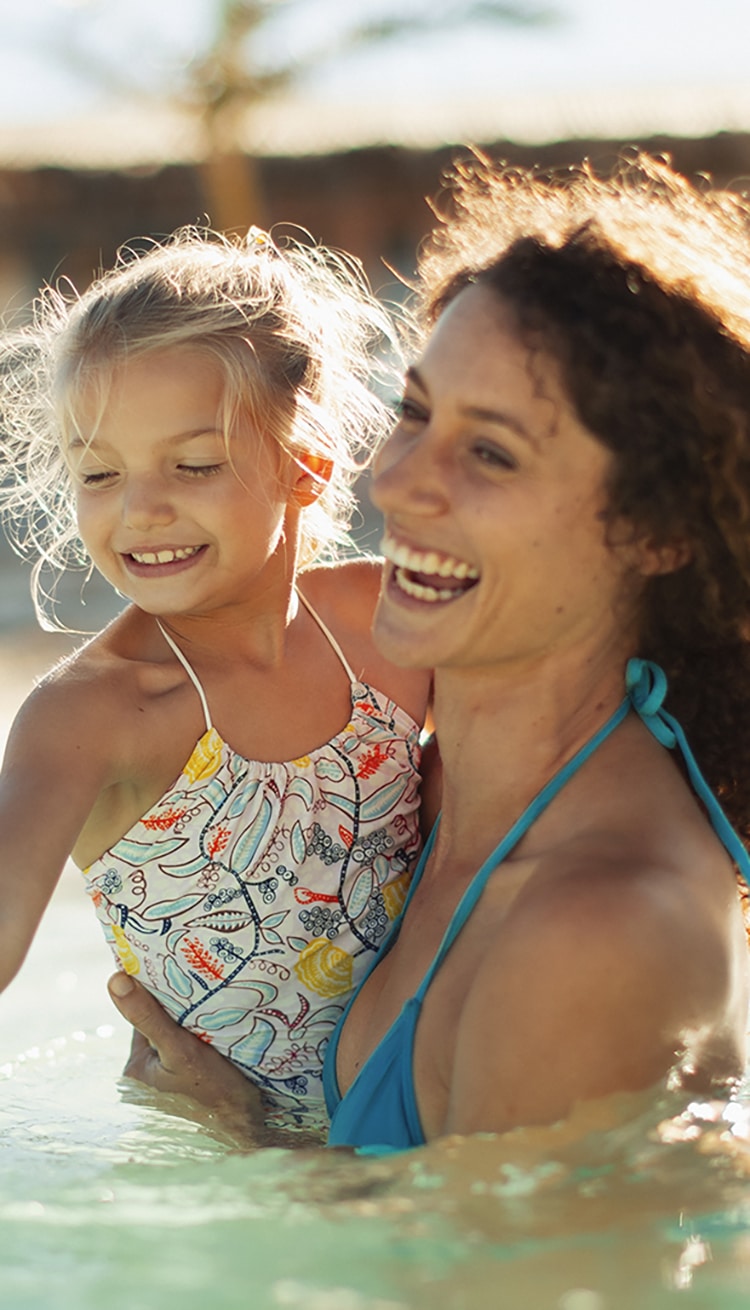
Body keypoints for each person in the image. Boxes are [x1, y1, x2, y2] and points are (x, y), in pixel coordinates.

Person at [107, 153, 750, 1153]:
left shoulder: (598, 930)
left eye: (489, 451)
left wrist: (248, 1141)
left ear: (657, 532)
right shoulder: (416, 782)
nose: (400, 479)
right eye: (415, 410)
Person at [0, 225, 431, 1135]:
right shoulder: (92, 715)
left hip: (415, 1129)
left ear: (304, 466)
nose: (140, 508)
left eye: (193, 465)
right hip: (229, 1176)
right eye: (98, 473)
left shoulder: (382, 625)